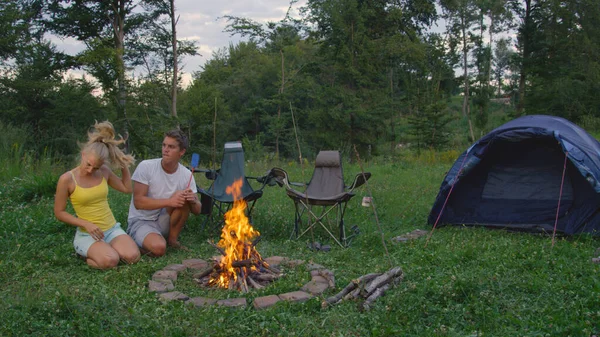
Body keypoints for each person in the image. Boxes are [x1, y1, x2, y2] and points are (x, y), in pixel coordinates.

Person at [54, 121, 140, 269]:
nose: (90, 170)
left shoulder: (104, 171)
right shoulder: (67, 179)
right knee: (110, 261)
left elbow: (126, 188)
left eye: (96, 167)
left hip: (111, 229)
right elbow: (59, 212)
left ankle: (106, 249)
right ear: (83, 154)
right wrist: (85, 224)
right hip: (88, 234)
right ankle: (90, 253)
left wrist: (123, 163)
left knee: (132, 257)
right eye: (88, 164)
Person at [126, 129, 201, 257]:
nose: (165, 149)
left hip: (163, 220)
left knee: (183, 197)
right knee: (159, 248)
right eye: (164, 145)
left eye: (171, 147)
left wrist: (193, 200)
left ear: (181, 152)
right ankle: (136, 241)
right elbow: (138, 202)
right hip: (142, 221)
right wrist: (170, 201)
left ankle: (172, 240)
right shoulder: (146, 167)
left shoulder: (187, 174)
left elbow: (197, 210)